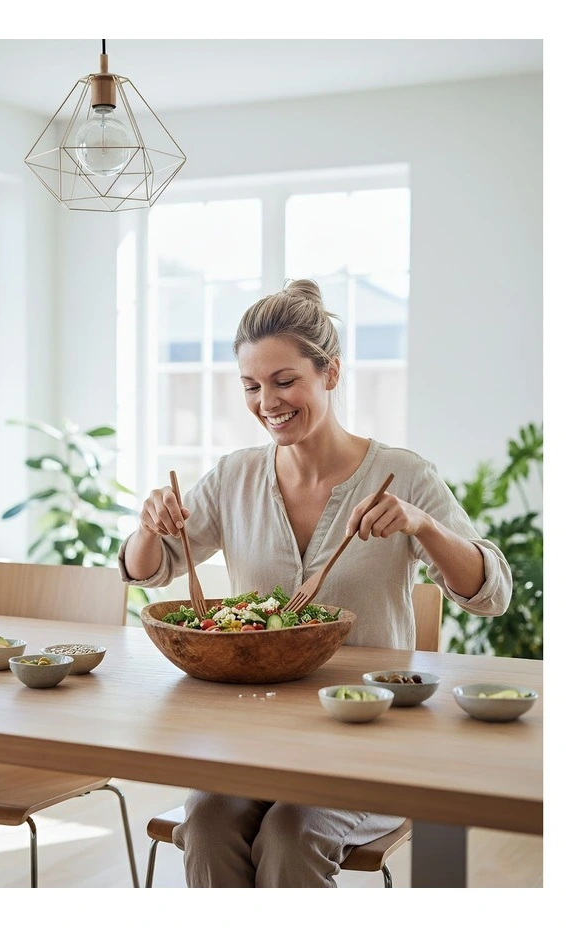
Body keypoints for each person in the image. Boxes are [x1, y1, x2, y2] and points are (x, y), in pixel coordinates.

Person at [118, 278, 512, 888]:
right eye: (251, 386)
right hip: (256, 734)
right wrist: (150, 523)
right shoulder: (235, 477)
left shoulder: (401, 473)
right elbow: (151, 568)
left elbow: (491, 593)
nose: (267, 401)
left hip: (368, 734)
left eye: (284, 381)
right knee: (205, 821)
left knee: (293, 831)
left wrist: (423, 525)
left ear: (330, 373)